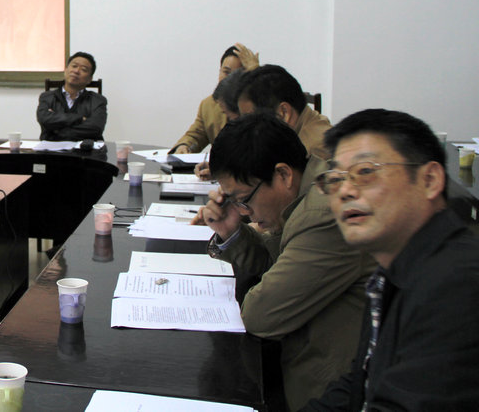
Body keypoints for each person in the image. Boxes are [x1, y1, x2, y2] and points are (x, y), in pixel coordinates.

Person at [195, 113, 375, 410]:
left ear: (283, 175)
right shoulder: (306, 195)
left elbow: (260, 315)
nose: (245, 212)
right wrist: (231, 231)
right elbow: (278, 262)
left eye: (244, 200)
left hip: (327, 393)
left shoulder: (323, 214)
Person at [301, 109, 479, 410]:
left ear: (430, 180)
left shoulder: (457, 285)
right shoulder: (393, 271)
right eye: (335, 179)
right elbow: (361, 384)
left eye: (365, 172)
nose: (345, 191)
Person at [171, 43, 258, 154]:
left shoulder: (259, 106)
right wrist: (185, 146)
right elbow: (195, 135)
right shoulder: (208, 105)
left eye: (237, 74)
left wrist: (256, 72)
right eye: (226, 72)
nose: (230, 78)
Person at [236, 64, 332, 160]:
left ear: (284, 112)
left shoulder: (311, 153)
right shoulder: (306, 120)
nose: (246, 129)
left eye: (250, 120)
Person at [37, 51, 107, 141]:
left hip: (84, 149)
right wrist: (79, 118)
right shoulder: (47, 97)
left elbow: (96, 128)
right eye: (74, 66)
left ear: (89, 79)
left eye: (83, 69)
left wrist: (56, 131)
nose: (76, 71)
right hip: (51, 149)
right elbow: (44, 120)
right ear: (66, 70)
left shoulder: (98, 100)